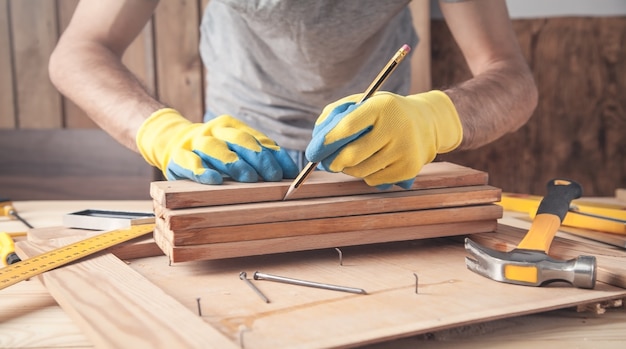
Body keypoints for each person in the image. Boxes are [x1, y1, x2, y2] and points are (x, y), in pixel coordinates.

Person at [49, 0, 537, 190]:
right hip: (235, 158)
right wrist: (163, 133)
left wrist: (432, 120)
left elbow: (512, 79)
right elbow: (79, 51)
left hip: (383, 152)